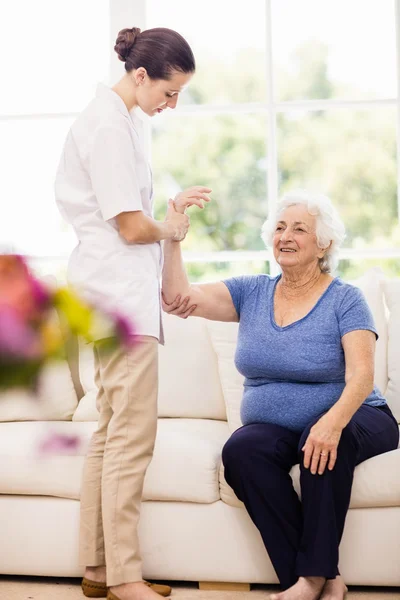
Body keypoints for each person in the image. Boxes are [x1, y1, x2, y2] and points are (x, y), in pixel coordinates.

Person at [162, 191, 399, 600]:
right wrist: (172, 235)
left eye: (300, 228)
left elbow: (362, 377)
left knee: (323, 442)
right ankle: (324, 577)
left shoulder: (345, 298)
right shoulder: (251, 292)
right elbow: (175, 298)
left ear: (323, 244)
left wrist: (331, 422)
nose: (285, 236)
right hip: (278, 427)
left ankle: (307, 581)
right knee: (242, 451)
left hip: (358, 414)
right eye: (279, 227)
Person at [55, 26, 211, 600]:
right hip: (117, 299)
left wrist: (162, 219)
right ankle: (124, 575)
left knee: (111, 433)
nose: (173, 105)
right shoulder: (108, 127)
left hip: (108, 293)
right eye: (169, 93)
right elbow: (128, 225)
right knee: (132, 437)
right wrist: (170, 227)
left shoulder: (118, 123)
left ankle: (98, 569)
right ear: (141, 75)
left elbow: (125, 218)